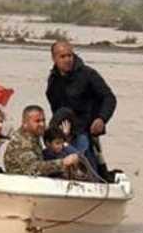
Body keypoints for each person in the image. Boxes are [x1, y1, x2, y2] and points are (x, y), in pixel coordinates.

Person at [45, 40, 117, 178]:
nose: (67, 59)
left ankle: (97, 180)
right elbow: (54, 105)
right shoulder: (53, 79)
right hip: (63, 131)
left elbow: (109, 98)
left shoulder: (88, 74)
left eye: (70, 55)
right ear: (54, 58)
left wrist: (102, 118)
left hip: (84, 131)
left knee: (86, 166)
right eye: (63, 56)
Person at [0, 105, 87, 179]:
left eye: (43, 120)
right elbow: (34, 168)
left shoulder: (32, 136)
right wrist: (63, 162)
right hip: (23, 186)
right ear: (25, 123)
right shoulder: (21, 142)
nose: (42, 124)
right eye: (37, 121)